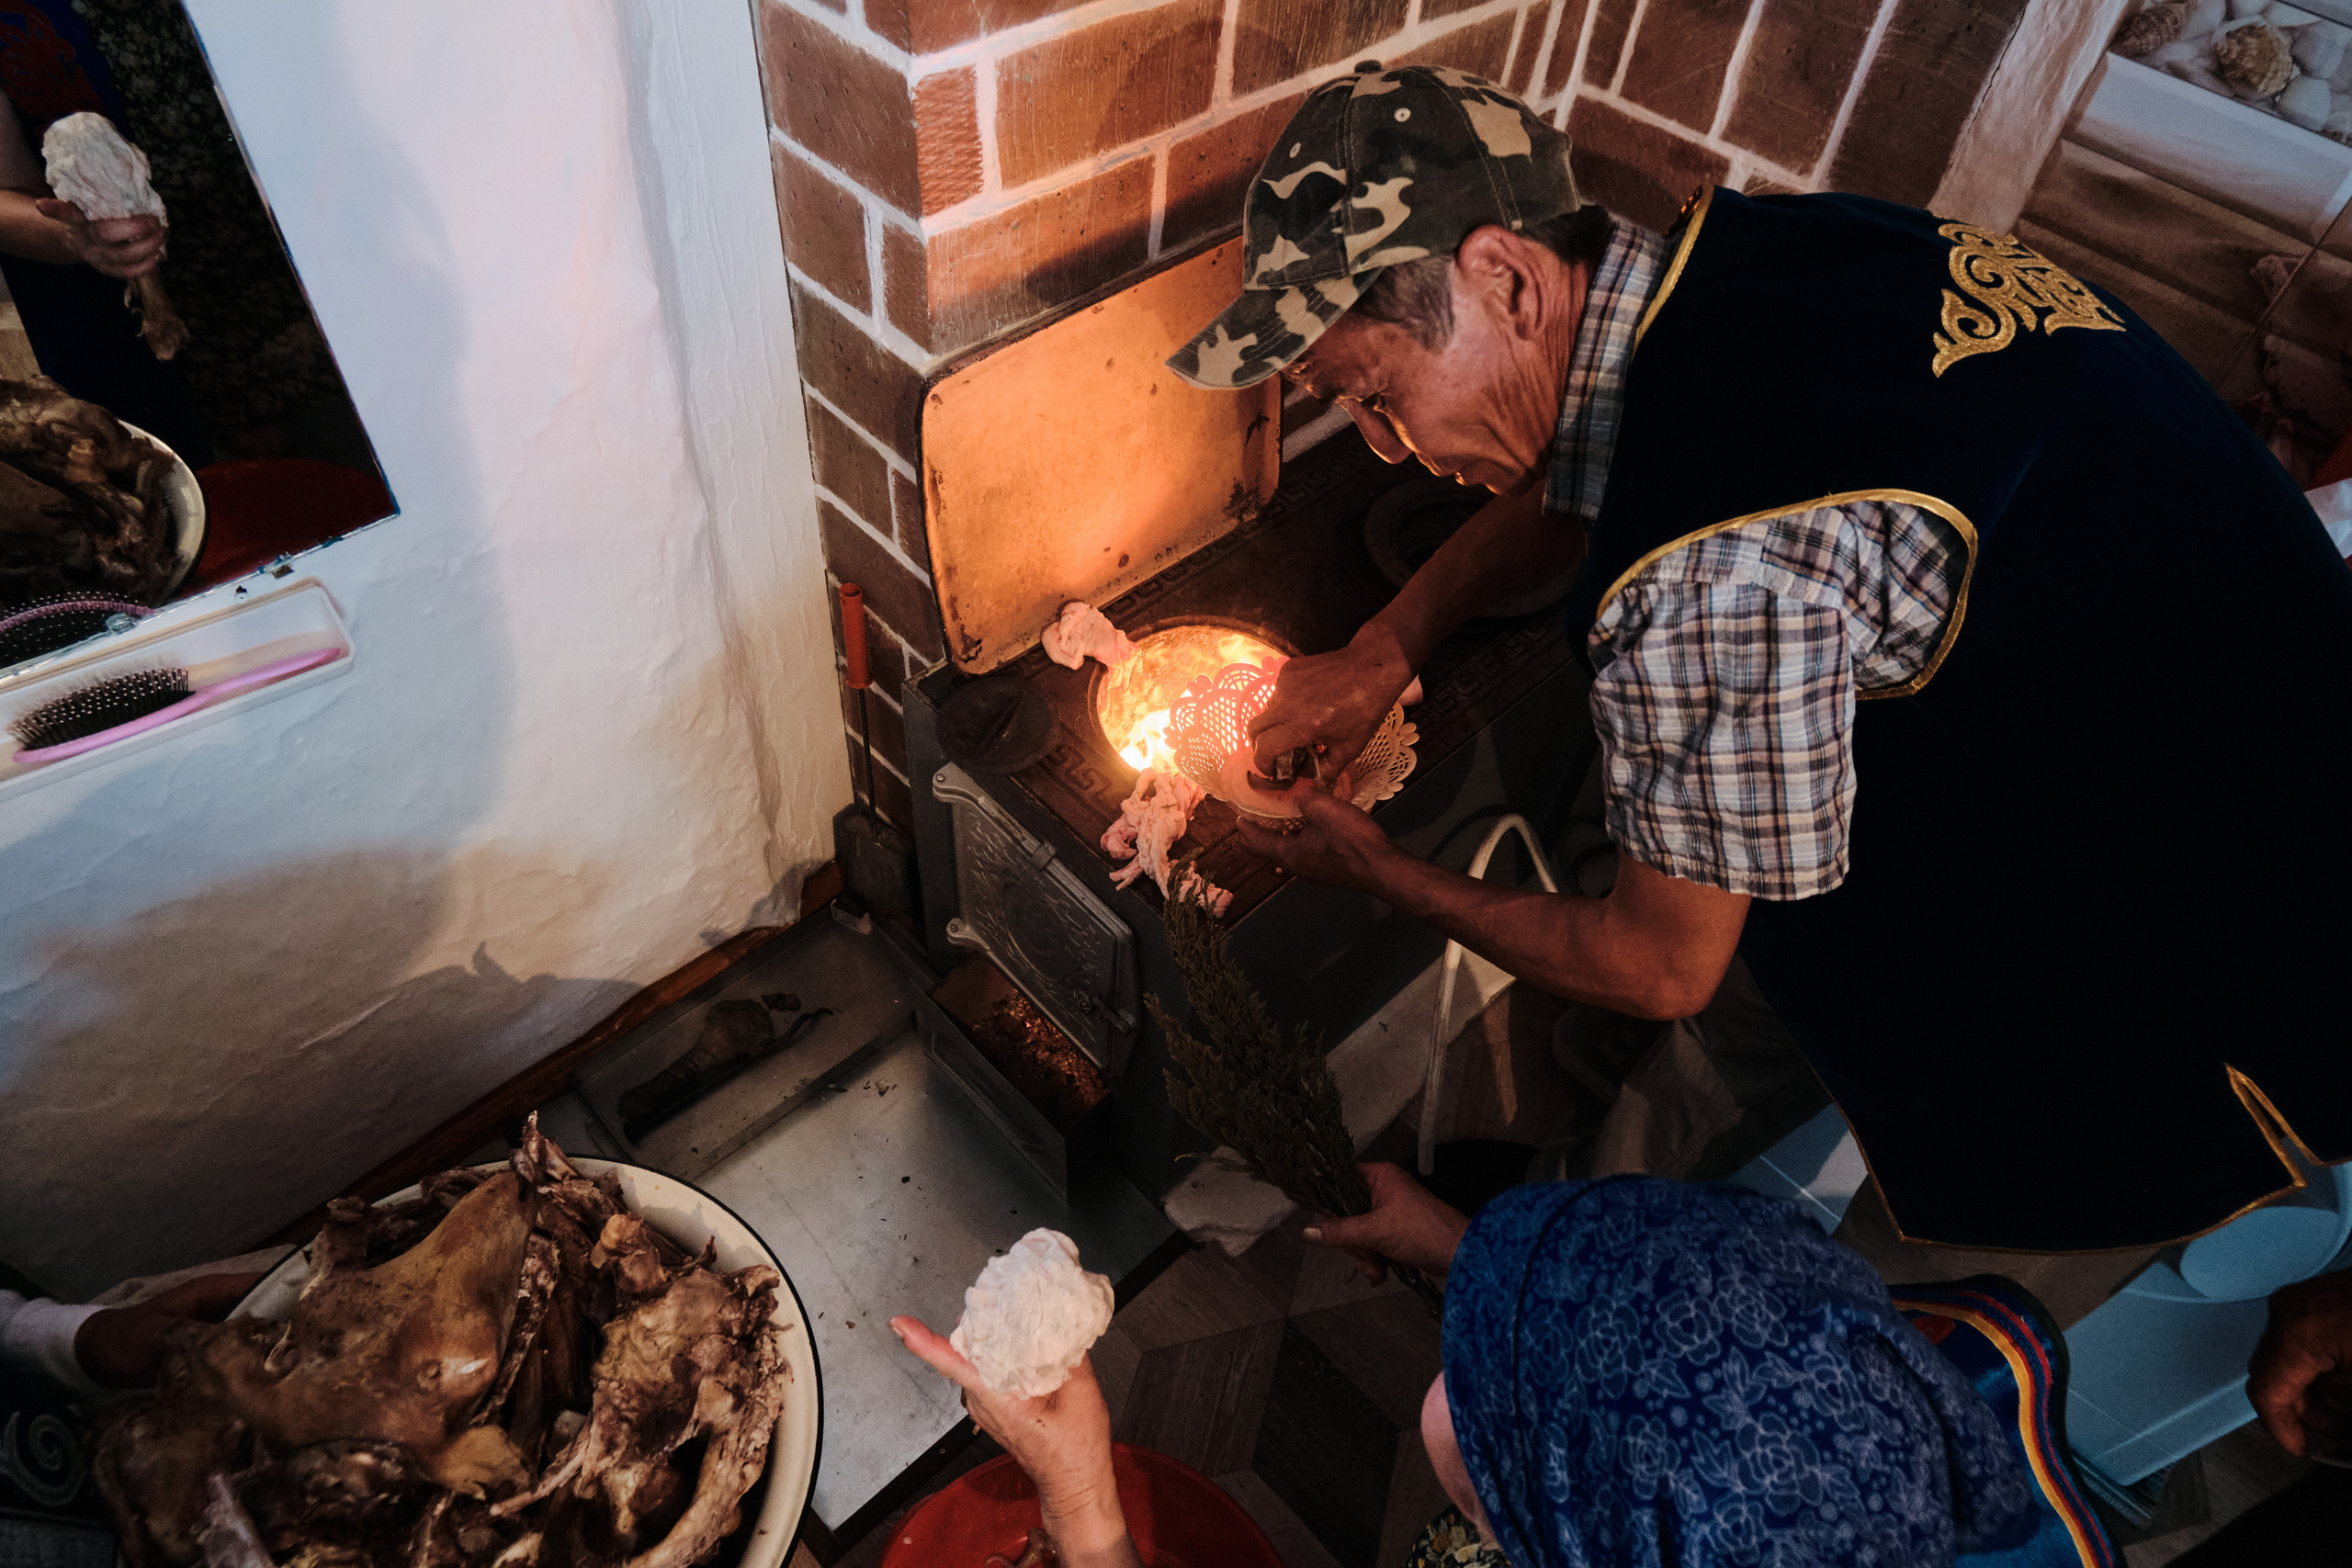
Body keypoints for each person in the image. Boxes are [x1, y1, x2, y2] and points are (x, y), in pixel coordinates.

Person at [1165, 63, 2352, 1256]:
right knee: (1754, 973)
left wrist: (1381, 872)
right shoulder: (1778, 254)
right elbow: (1624, 465)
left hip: (2198, 994)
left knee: (1907, 1318)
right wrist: (1387, 643)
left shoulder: (1706, 580)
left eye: (1379, 397)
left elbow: (1660, 962)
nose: (1390, 451)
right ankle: (1575, 1199)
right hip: (2254, 707)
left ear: (1508, 279)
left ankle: (1596, 1299)